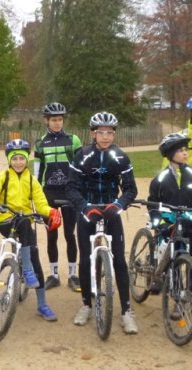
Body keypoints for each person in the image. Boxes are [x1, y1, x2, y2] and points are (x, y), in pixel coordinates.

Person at [65, 112, 139, 334]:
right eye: (101, 132)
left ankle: (126, 311)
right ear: (93, 133)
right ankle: (87, 304)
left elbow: (130, 189)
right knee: (86, 261)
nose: (105, 136)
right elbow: (71, 187)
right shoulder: (82, 156)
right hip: (88, 210)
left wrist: (120, 204)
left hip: (111, 209)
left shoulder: (121, 157)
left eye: (110, 132)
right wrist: (84, 207)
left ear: (114, 134)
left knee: (119, 260)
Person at [0, 139, 63, 321]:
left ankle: (42, 304)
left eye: (22, 158)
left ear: (27, 160)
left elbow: (40, 203)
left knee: (35, 255)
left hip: (25, 220)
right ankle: (27, 270)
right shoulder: (3, 176)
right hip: (5, 220)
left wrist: (50, 212)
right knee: (25, 225)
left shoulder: (32, 180)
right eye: (15, 158)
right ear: (9, 160)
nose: (18, 162)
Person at [148, 133, 192, 321]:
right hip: (171, 225)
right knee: (176, 262)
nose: (185, 153)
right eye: (180, 150)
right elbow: (153, 204)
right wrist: (159, 222)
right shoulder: (160, 179)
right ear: (170, 154)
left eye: (186, 150)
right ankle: (178, 301)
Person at [33, 102, 82, 291]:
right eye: (53, 120)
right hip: (49, 194)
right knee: (51, 235)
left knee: (70, 234)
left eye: (60, 119)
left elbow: (80, 167)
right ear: (46, 121)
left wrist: (79, 188)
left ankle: (72, 274)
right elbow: (37, 172)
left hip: (69, 192)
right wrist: (35, 194)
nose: (57, 123)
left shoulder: (73, 140)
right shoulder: (40, 143)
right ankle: (53, 275)